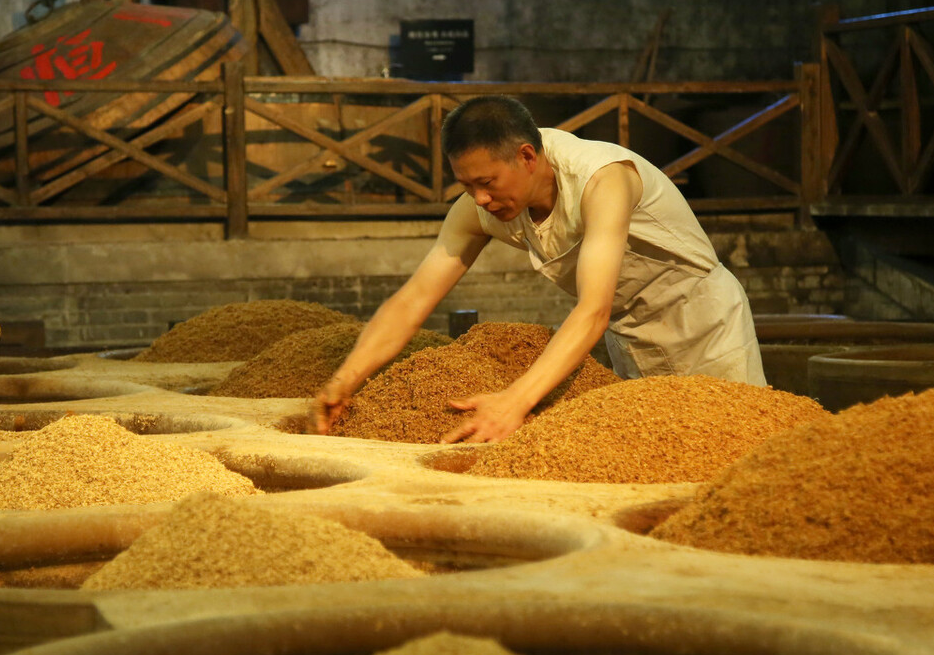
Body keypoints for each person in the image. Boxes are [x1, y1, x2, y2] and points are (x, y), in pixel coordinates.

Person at [311, 95, 765, 443]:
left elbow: (592, 309)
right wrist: (345, 379)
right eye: (467, 186)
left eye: (487, 183)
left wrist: (515, 401)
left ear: (527, 157)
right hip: (632, 337)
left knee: (734, 450)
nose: (480, 200)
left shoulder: (603, 179)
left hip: (704, 326)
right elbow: (413, 300)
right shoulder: (478, 209)